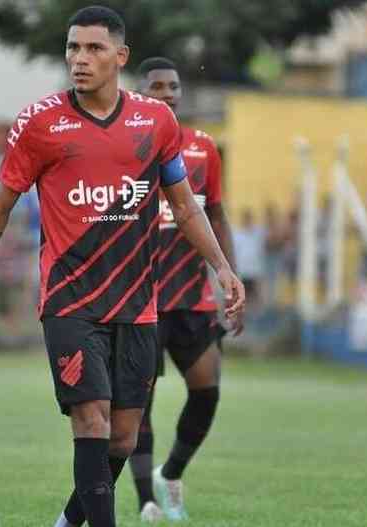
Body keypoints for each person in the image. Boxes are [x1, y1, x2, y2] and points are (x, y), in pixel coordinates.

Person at [0, 7, 245, 527]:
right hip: (70, 301)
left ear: (120, 57)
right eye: (73, 48)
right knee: (91, 420)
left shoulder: (155, 122)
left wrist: (222, 267)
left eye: (94, 49)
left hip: (137, 302)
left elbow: (187, 205)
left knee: (123, 436)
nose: (80, 60)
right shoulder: (40, 124)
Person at [125, 56, 241, 523]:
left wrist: (229, 278)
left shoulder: (203, 148)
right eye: (157, 86)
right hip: (140, 299)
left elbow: (215, 215)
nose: (168, 93)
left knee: (207, 391)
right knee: (139, 405)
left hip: (192, 298)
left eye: (173, 86)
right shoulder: (124, 148)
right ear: (140, 91)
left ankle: (170, 474)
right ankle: (145, 504)